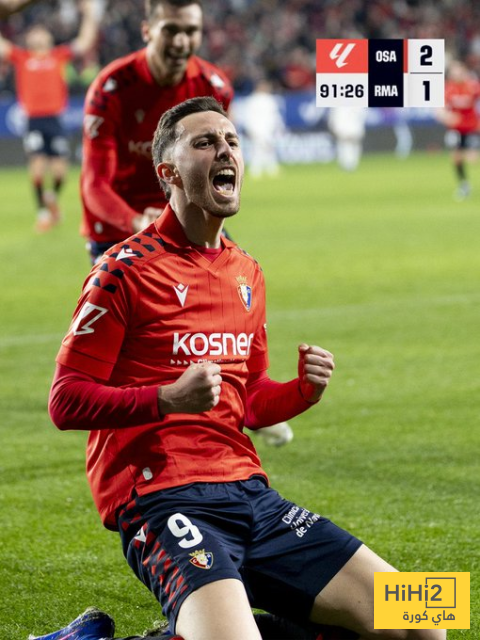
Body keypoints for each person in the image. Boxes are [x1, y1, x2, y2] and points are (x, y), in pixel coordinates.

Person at [33, 97, 445, 640]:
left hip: (250, 492)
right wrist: (167, 398)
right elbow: (64, 402)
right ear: (169, 172)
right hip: (162, 498)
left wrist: (301, 392)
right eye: (204, 142)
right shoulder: (120, 272)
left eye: (231, 140)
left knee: (426, 618)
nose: (225, 150)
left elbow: (248, 400)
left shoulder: (246, 270)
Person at [80, 0, 292, 447]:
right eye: (171, 30)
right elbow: (95, 183)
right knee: (127, 347)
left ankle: (245, 394)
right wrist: (133, 219)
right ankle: (138, 441)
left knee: (229, 294)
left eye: (190, 31)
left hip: (189, 209)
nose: (181, 41)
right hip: (119, 222)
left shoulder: (212, 84)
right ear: (148, 30)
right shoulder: (112, 87)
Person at [0, 0, 100, 231]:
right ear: (29, 38)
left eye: (41, 31)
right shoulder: (22, 57)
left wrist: (89, 15)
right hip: (34, 120)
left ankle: (51, 198)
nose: (38, 34)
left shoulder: (58, 55)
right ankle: (43, 212)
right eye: (34, 32)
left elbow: (84, 43)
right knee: (37, 164)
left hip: (55, 119)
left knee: (60, 172)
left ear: (48, 37)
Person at [437, 59, 480, 200]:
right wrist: (447, 116)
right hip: (455, 129)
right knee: (455, 158)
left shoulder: (473, 86)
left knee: (472, 158)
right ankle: (464, 185)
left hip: (472, 128)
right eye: (454, 71)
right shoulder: (448, 89)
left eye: (459, 70)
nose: (457, 73)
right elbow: (439, 109)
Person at [241, 78, 284, 179]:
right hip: (257, 129)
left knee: (268, 150)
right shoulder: (252, 100)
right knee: (258, 150)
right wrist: (250, 129)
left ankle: (270, 170)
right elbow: (247, 117)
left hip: (268, 129)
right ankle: (257, 171)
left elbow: (275, 116)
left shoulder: (269, 99)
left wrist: (277, 128)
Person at [328, 107, 368, 172]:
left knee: (351, 145)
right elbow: (334, 117)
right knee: (345, 145)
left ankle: (350, 164)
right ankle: (346, 165)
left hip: (352, 128)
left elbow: (362, 115)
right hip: (345, 128)